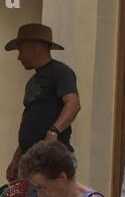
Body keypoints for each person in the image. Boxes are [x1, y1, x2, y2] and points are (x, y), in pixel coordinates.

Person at [5, 23, 80, 183]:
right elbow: (31, 122)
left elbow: (73, 103)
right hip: (32, 159)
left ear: (35, 47)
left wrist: (53, 132)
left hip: (51, 159)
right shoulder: (32, 81)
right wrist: (16, 157)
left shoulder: (60, 72)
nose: (19, 57)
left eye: (21, 50)